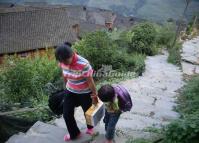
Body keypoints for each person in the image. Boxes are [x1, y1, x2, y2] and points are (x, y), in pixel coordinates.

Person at [55, 42, 98, 141]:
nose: (64, 63)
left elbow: (91, 82)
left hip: (85, 92)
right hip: (70, 90)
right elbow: (64, 74)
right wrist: (65, 88)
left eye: (66, 60)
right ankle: (74, 133)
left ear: (72, 54)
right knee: (66, 114)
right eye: (62, 61)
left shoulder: (83, 64)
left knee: (87, 112)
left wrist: (95, 96)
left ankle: (90, 128)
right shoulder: (62, 62)